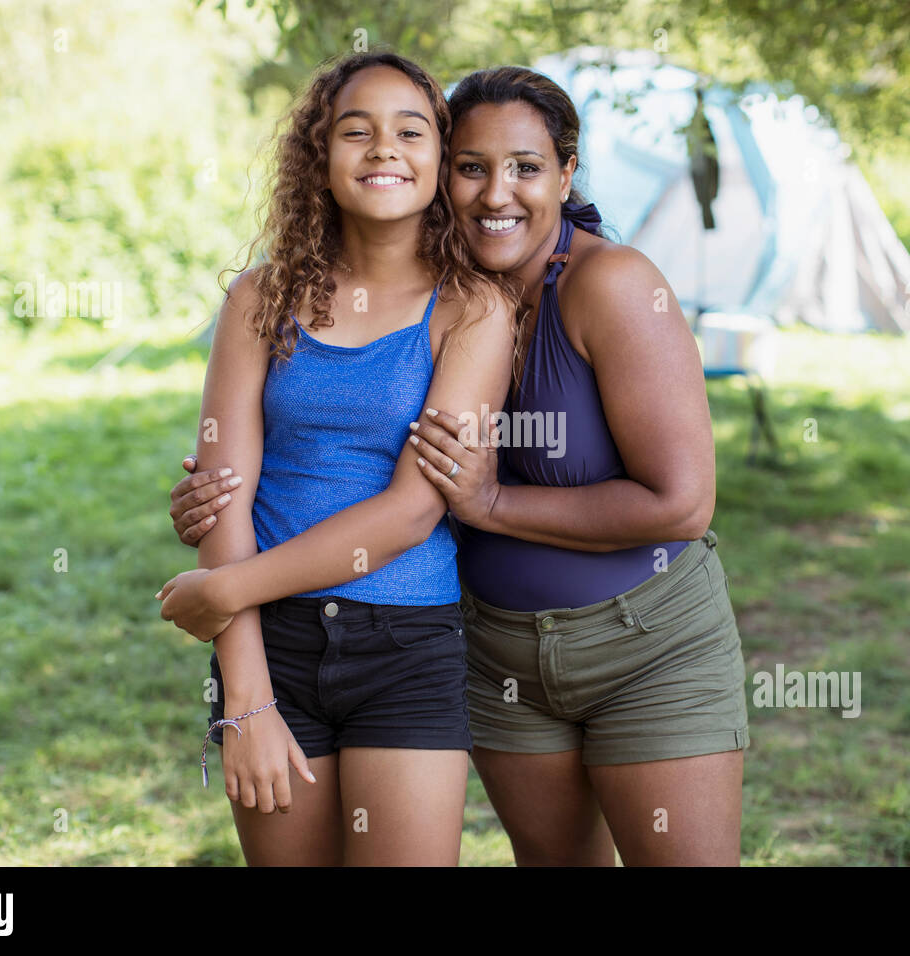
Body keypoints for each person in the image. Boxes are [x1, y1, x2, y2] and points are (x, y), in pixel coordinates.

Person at [170, 66, 749, 866]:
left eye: (526, 167)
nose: (496, 192)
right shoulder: (287, 298)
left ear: (566, 173)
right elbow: (247, 478)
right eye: (474, 167)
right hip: (491, 646)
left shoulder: (567, 290)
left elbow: (680, 505)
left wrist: (491, 504)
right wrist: (242, 672)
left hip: (627, 639)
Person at [155, 51, 515, 866]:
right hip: (266, 645)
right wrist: (244, 697)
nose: (384, 148)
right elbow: (220, 494)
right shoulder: (259, 298)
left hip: (409, 641)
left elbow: (409, 513)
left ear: (439, 161)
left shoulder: (472, 309)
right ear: (320, 158)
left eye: (410, 132)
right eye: (356, 131)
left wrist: (218, 591)